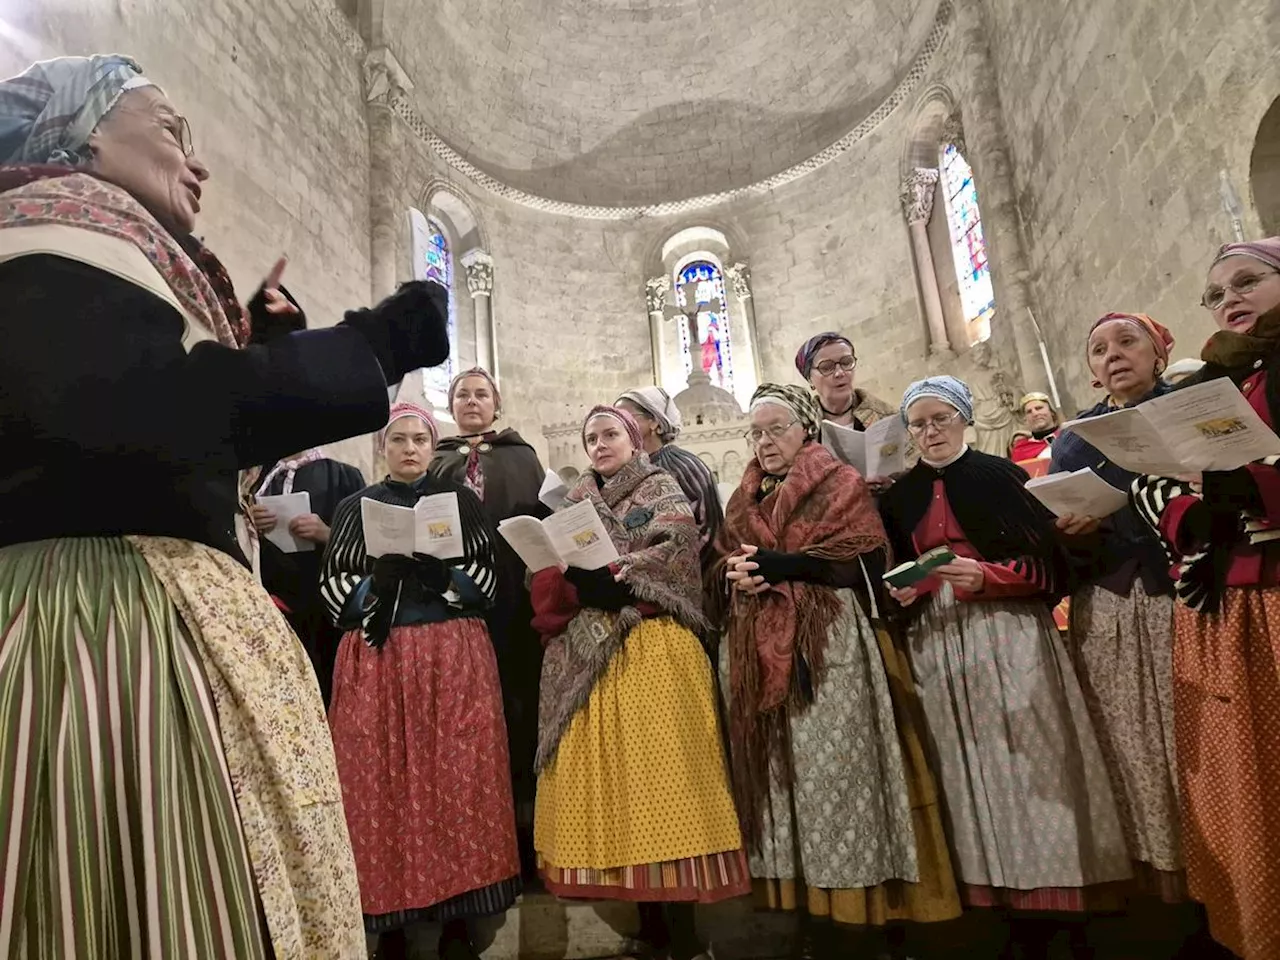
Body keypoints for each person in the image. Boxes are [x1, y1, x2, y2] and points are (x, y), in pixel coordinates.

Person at [0, 54, 450, 958]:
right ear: (81, 134)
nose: (196, 162)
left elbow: (137, 401)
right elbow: (142, 413)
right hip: (99, 633)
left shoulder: (75, 244)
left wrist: (253, 335)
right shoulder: (42, 238)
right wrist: (370, 342)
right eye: (170, 129)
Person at [879, 376, 1130, 955]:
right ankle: (985, 902)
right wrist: (906, 591)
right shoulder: (900, 494)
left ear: (965, 418)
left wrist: (989, 576)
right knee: (960, 764)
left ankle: (1054, 903)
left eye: (941, 418)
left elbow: (1047, 557)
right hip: (935, 641)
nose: (930, 432)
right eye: (918, 424)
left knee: (1031, 758)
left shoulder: (1001, 475)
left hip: (1009, 633)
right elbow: (896, 567)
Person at [710, 384, 959, 959]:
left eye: (776, 429)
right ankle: (800, 906)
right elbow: (722, 554)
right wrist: (736, 572)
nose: (764, 441)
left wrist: (789, 566)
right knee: (782, 782)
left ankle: (857, 913)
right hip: (759, 646)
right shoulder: (742, 499)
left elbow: (865, 560)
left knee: (839, 775)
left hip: (827, 649)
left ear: (806, 429)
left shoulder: (839, 482)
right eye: (755, 432)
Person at [530, 405, 749, 960]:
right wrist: (568, 576)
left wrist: (619, 579)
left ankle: (684, 935)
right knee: (622, 793)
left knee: (668, 784)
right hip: (592, 656)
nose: (600, 445)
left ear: (633, 440)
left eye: (610, 435)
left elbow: (677, 544)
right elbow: (550, 566)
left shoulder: (661, 484)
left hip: (655, 647)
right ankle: (648, 927)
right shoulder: (575, 500)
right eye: (590, 438)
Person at [322, 398, 519, 960]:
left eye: (420, 440)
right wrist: (376, 586)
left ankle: (460, 918)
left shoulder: (459, 500)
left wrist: (444, 575)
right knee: (379, 780)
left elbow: (489, 575)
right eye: (399, 440)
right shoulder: (355, 505)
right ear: (382, 448)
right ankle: (393, 925)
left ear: (434, 449)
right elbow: (333, 586)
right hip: (378, 659)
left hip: (451, 655)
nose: (410, 449)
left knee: (457, 776)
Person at [1131, 237, 1280, 960]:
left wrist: (1242, 488)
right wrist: (1179, 503)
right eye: (1218, 294)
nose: (1230, 300)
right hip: (1236, 600)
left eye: (1247, 281)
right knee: (1252, 783)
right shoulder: (1233, 378)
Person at [429, 367, 548, 879]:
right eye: (462, 394)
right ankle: (468, 841)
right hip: (454, 607)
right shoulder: (436, 462)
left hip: (514, 610)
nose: (472, 402)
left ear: (496, 404)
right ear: (451, 406)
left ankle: (526, 841)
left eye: (481, 394)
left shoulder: (522, 457)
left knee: (520, 712)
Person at [252, 446, 366, 706]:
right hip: (267, 602)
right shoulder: (255, 479)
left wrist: (327, 533)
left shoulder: (344, 476)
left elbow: (367, 545)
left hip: (324, 612)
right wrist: (249, 524)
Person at [794, 332, 915, 491]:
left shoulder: (887, 416)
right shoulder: (801, 429)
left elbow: (916, 465)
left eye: (846, 362)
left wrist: (893, 482)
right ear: (809, 378)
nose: (839, 373)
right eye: (827, 367)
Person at [616, 384, 725, 551]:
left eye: (625, 418)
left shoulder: (686, 467)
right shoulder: (622, 472)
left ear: (654, 421)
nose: (618, 426)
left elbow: (708, 530)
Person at [1008, 391, 1060, 464]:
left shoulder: (1069, 436)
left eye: (1039, 408)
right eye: (1029, 412)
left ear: (1051, 411)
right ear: (1025, 419)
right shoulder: (1021, 450)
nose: (1035, 413)